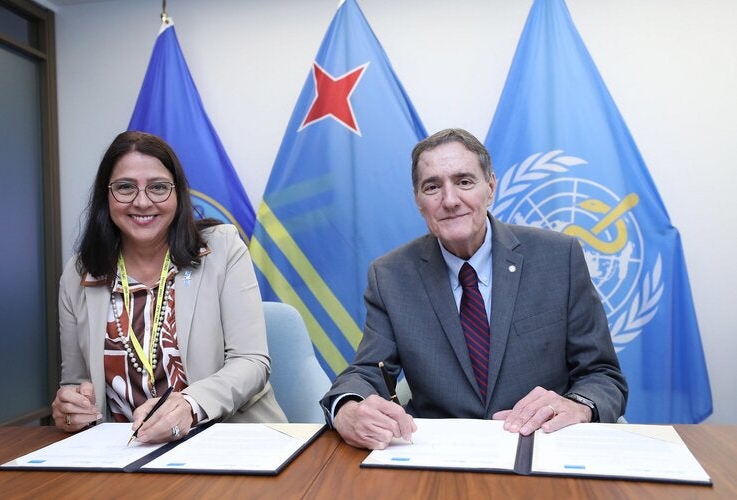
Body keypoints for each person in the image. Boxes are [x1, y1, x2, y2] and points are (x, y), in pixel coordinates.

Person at [320, 128, 627, 450]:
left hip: (540, 447)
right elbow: (370, 370)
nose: (450, 200)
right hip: (438, 455)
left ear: (491, 187)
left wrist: (578, 405)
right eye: (432, 187)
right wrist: (346, 407)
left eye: (464, 181)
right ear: (418, 201)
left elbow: (603, 374)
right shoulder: (391, 275)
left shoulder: (558, 258)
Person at [51, 131, 286, 443]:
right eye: (125, 187)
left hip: (224, 441)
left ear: (178, 193)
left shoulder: (222, 249)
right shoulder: (80, 274)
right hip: (128, 453)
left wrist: (190, 405)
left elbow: (251, 363)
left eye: (158, 187)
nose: (142, 202)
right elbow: (76, 382)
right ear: (105, 196)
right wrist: (71, 409)